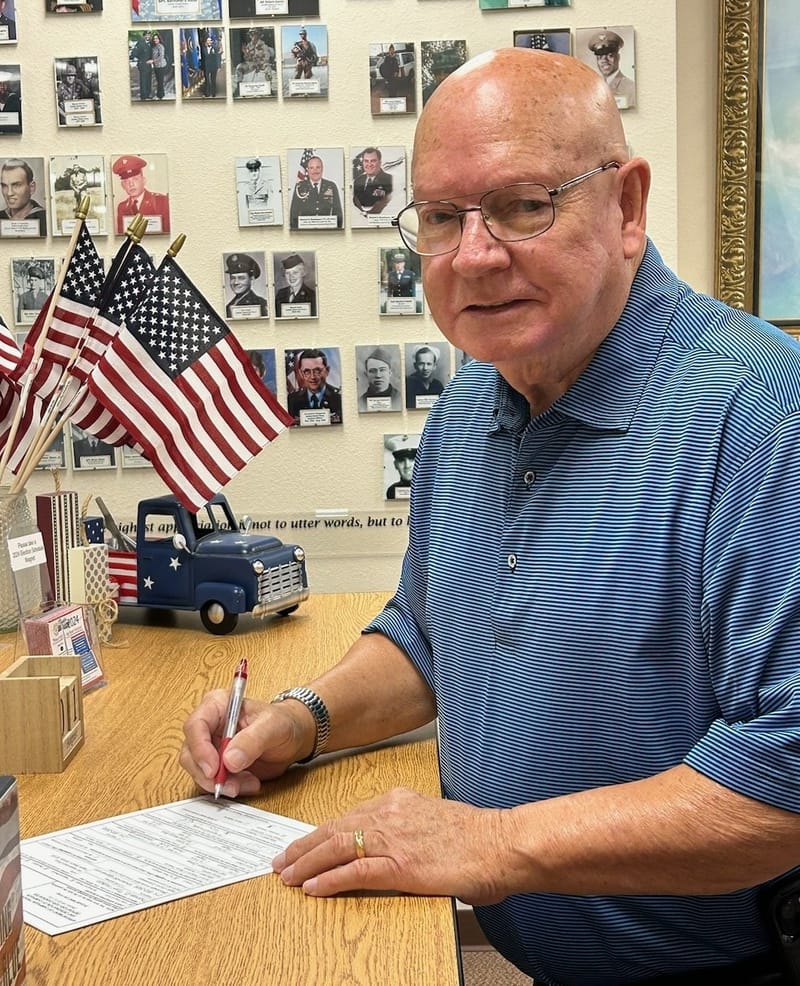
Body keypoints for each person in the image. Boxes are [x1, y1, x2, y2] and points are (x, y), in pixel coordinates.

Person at [181, 47, 800, 985]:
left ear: (627, 208)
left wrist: (495, 843)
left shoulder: (758, 410)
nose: (473, 255)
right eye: (439, 217)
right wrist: (301, 719)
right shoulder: (475, 399)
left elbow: (787, 780)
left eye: (522, 206)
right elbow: (430, 639)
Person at [112, 155, 170, 235]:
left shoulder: (161, 201)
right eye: (126, 182)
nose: (131, 184)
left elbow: (166, 232)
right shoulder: (122, 207)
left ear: (143, 180)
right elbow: (122, 236)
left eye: (135, 179)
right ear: (123, 186)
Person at [287, 349, 341, 424]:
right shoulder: (292, 400)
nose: (312, 377)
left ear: (327, 371)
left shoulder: (339, 398)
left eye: (317, 371)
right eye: (307, 371)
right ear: (301, 373)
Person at [289, 155, 343, 229]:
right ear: (307, 170)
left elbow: (338, 213)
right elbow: (293, 214)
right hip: (305, 233)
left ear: (322, 169)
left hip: (326, 232)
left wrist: (335, 232)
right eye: (311, 168)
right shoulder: (300, 187)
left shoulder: (331, 186)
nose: (315, 171)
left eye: (318, 167)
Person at [587, 30, 636, 109]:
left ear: (618, 57)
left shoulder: (630, 88)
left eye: (610, 56)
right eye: (600, 57)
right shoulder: (592, 88)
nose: (604, 61)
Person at [0, 159, 47, 235]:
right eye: (4, 186)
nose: (9, 193)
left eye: (16, 185)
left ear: (31, 187)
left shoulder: (45, 219)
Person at [224, 253, 268, 318]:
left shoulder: (261, 304)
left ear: (251, 278)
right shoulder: (229, 305)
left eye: (241, 278)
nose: (236, 282)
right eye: (232, 278)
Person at [352, 147, 392, 217]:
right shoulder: (358, 181)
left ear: (379, 162)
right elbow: (357, 201)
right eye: (366, 161)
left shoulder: (389, 180)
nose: (369, 164)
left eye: (373, 161)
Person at [358, 347, 401, 411]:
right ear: (366, 374)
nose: (378, 375)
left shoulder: (399, 398)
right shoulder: (360, 402)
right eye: (372, 371)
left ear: (390, 373)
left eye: (382, 370)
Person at [384, 434, 417, 500]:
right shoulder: (392, 491)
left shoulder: (431, 488)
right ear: (395, 465)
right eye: (401, 460)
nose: (407, 465)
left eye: (412, 459)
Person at [131, 31, 153, 101]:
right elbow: (134, 53)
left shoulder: (150, 44)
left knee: (148, 80)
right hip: (143, 65)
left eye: (149, 35)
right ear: (144, 36)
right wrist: (140, 60)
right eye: (146, 35)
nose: (148, 37)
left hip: (149, 65)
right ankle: (143, 96)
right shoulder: (140, 43)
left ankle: (148, 94)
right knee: (143, 80)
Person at [151, 33, 168, 100]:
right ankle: (160, 93)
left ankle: (160, 95)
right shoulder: (154, 46)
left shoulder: (160, 46)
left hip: (161, 66)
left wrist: (152, 61)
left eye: (156, 38)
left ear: (159, 39)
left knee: (160, 81)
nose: (155, 40)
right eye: (154, 38)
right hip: (156, 66)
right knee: (158, 81)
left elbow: (161, 57)